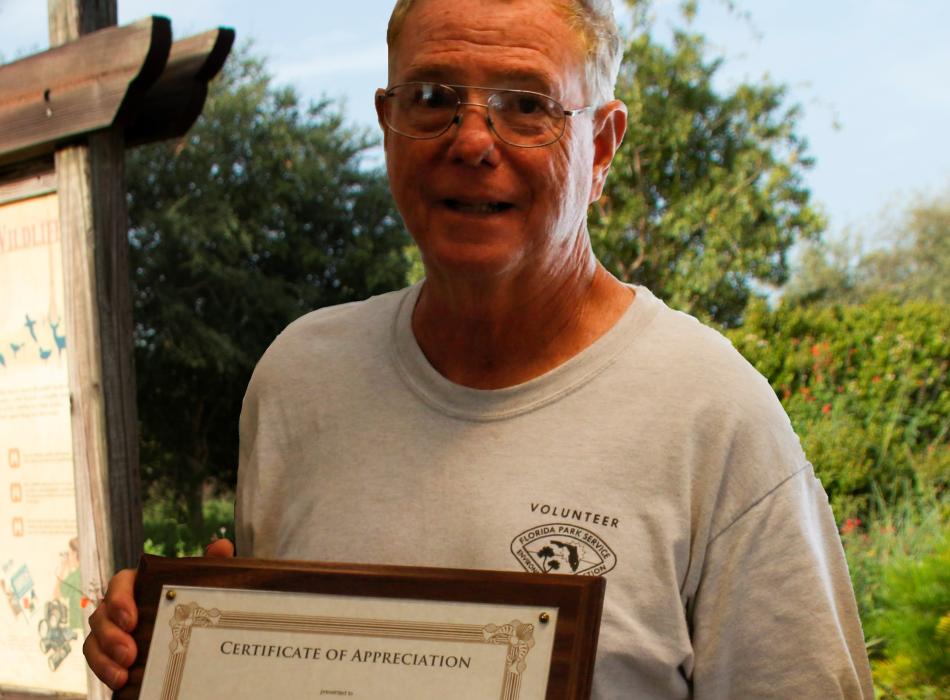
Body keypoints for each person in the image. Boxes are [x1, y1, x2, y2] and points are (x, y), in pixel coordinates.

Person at [84, 0, 874, 696]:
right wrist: (166, 652)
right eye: (432, 98)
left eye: (526, 106)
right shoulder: (301, 378)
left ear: (601, 148)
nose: (470, 140)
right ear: (387, 124)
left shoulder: (713, 412)